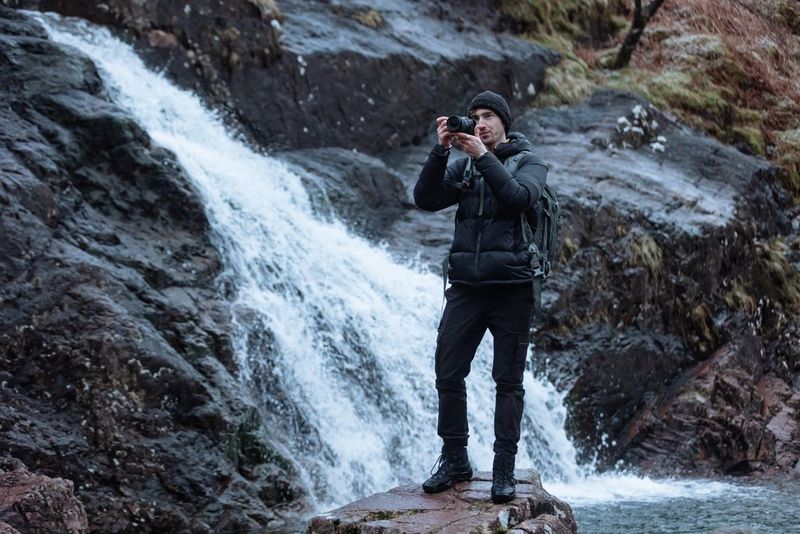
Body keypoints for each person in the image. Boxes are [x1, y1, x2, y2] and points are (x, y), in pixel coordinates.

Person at [414, 90, 548, 503]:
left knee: (507, 382)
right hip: (467, 289)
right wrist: (440, 153)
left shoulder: (529, 162)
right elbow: (425, 199)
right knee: (447, 371)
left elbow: (519, 197)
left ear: (505, 122)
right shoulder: (464, 168)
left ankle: (503, 467)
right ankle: (455, 459)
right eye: (474, 117)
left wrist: (482, 157)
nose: (481, 123)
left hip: (512, 289)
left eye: (488, 116)